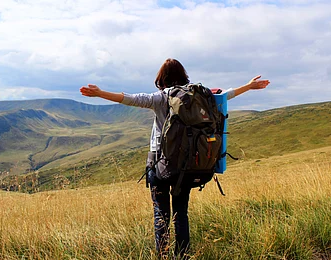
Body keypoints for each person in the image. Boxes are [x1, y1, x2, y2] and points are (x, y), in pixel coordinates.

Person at [80, 58, 270, 258]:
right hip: (188, 163)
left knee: (161, 214)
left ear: (161, 78)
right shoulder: (200, 96)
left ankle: (162, 255)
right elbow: (225, 96)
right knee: (181, 213)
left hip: (160, 163)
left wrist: (100, 93)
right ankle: (183, 256)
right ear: (184, 75)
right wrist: (249, 86)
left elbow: (130, 98)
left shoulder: (161, 97)